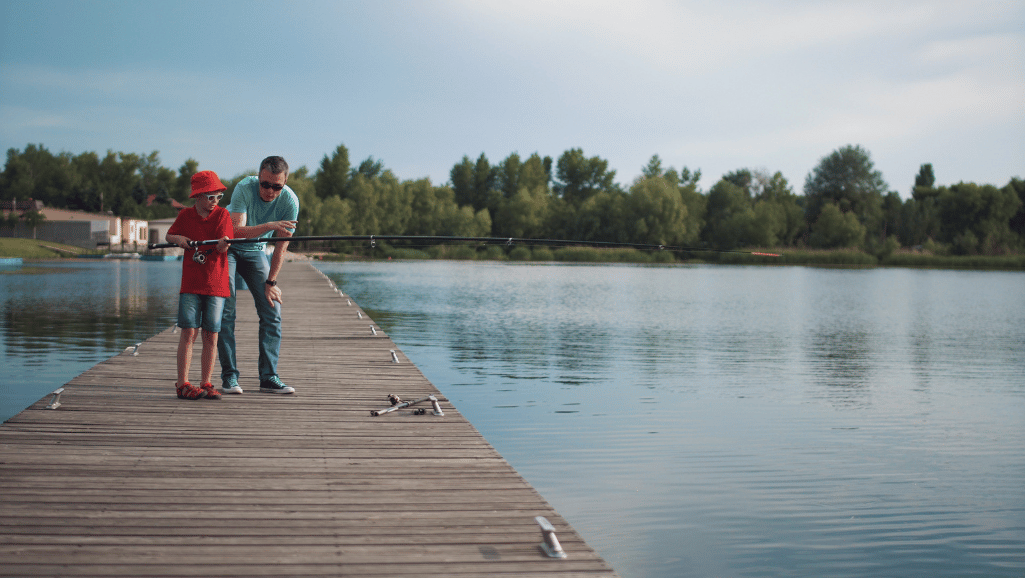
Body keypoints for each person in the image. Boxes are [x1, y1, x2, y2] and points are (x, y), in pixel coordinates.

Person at [217, 155, 299, 395]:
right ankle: (230, 377)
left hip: (255, 253)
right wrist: (270, 226)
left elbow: (281, 247)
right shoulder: (244, 187)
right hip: (230, 248)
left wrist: (271, 282)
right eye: (265, 184)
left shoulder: (290, 202)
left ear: (284, 183)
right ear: (258, 177)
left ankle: (269, 377)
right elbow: (236, 232)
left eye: (277, 186)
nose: (270, 191)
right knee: (227, 312)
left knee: (272, 310)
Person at [166, 170, 233, 400]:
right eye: (210, 197)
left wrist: (224, 244)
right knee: (189, 331)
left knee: (211, 335)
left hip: (216, 285)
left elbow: (224, 245)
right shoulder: (185, 216)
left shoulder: (223, 215)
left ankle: (206, 382)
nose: (215, 201)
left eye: (218, 197)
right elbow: (169, 235)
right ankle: (182, 383)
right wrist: (179, 240)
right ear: (198, 196)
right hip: (191, 284)